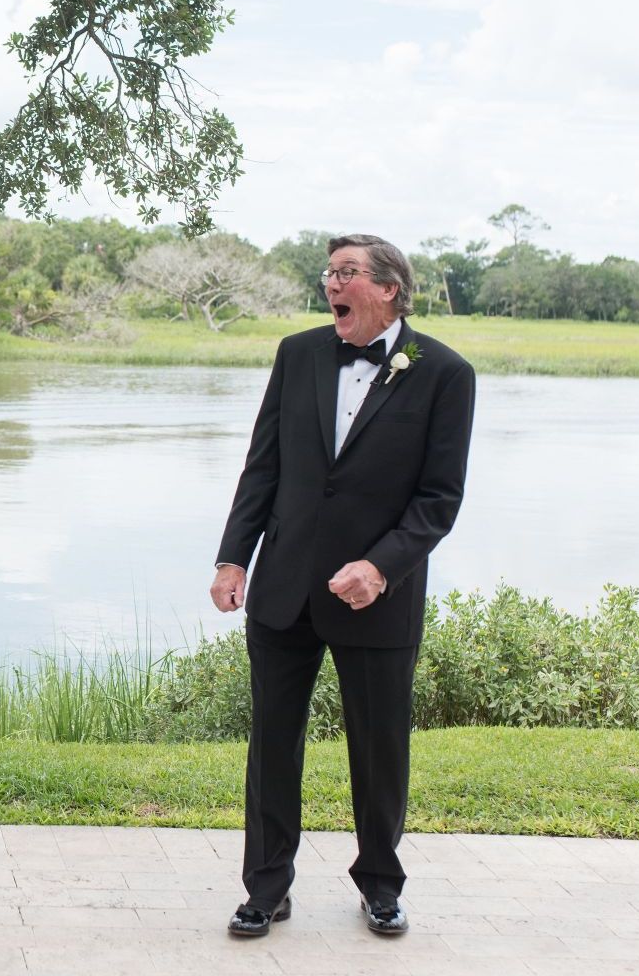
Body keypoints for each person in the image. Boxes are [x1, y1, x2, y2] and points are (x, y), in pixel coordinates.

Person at [210, 235, 475, 939]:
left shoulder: (445, 373)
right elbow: (262, 466)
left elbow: (438, 500)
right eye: (329, 273)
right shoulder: (297, 355)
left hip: (376, 598)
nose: (333, 284)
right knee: (272, 746)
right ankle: (266, 887)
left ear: (389, 288)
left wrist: (381, 566)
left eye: (347, 273)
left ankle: (381, 886)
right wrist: (234, 558)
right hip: (284, 589)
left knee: (380, 749)